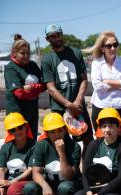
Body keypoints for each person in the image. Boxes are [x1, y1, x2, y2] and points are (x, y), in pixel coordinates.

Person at [41, 23, 93, 157]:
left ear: (62, 34)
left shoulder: (75, 53)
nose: (56, 38)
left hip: (79, 105)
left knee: (88, 139)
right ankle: (69, 173)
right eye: (52, 36)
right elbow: (51, 88)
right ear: (47, 39)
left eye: (58, 34)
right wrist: (69, 105)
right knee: (62, 143)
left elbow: (84, 79)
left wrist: (77, 101)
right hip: (59, 109)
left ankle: (85, 173)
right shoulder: (47, 59)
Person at [69, 108, 121, 195]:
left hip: (118, 191)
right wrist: (88, 192)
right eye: (104, 126)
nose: (107, 129)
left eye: (111, 126)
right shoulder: (94, 145)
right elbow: (85, 173)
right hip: (95, 190)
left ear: (118, 128)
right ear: (100, 129)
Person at [22, 113, 82, 195]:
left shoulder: (74, 147)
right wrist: (45, 186)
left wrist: (61, 153)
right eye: (52, 132)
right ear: (47, 134)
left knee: (65, 188)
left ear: (65, 130)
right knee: (29, 188)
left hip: (70, 183)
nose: (57, 135)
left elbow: (68, 176)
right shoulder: (41, 145)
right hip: (50, 182)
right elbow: (36, 172)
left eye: (60, 130)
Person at [84, 31, 121, 140]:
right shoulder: (97, 63)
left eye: (115, 45)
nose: (112, 48)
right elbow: (98, 87)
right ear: (102, 48)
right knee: (102, 142)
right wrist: (120, 83)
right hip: (101, 108)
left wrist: (107, 81)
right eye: (108, 46)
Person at [4, 34, 45, 139]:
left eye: (28, 53)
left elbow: (44, 85)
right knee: (17, 142)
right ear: (14, 53)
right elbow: (19, 93)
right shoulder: (11, 68)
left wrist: (31, 87)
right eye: (22, 53)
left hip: (32, 111)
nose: (26, 56)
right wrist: (36, 89)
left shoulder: (32, 65)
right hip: (17, 113)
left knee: (32, 140)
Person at [0, 113, 34, 195]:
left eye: (20, 127)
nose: (17, 131)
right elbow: (1, 169)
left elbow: (31, 170)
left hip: (28, 181)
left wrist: (12, 182)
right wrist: (0, 184)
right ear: (10, 132)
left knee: (13, 191)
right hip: (9, 181)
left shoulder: (34, 146)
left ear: (26, 127)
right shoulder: (6, 147)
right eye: (13, 130)